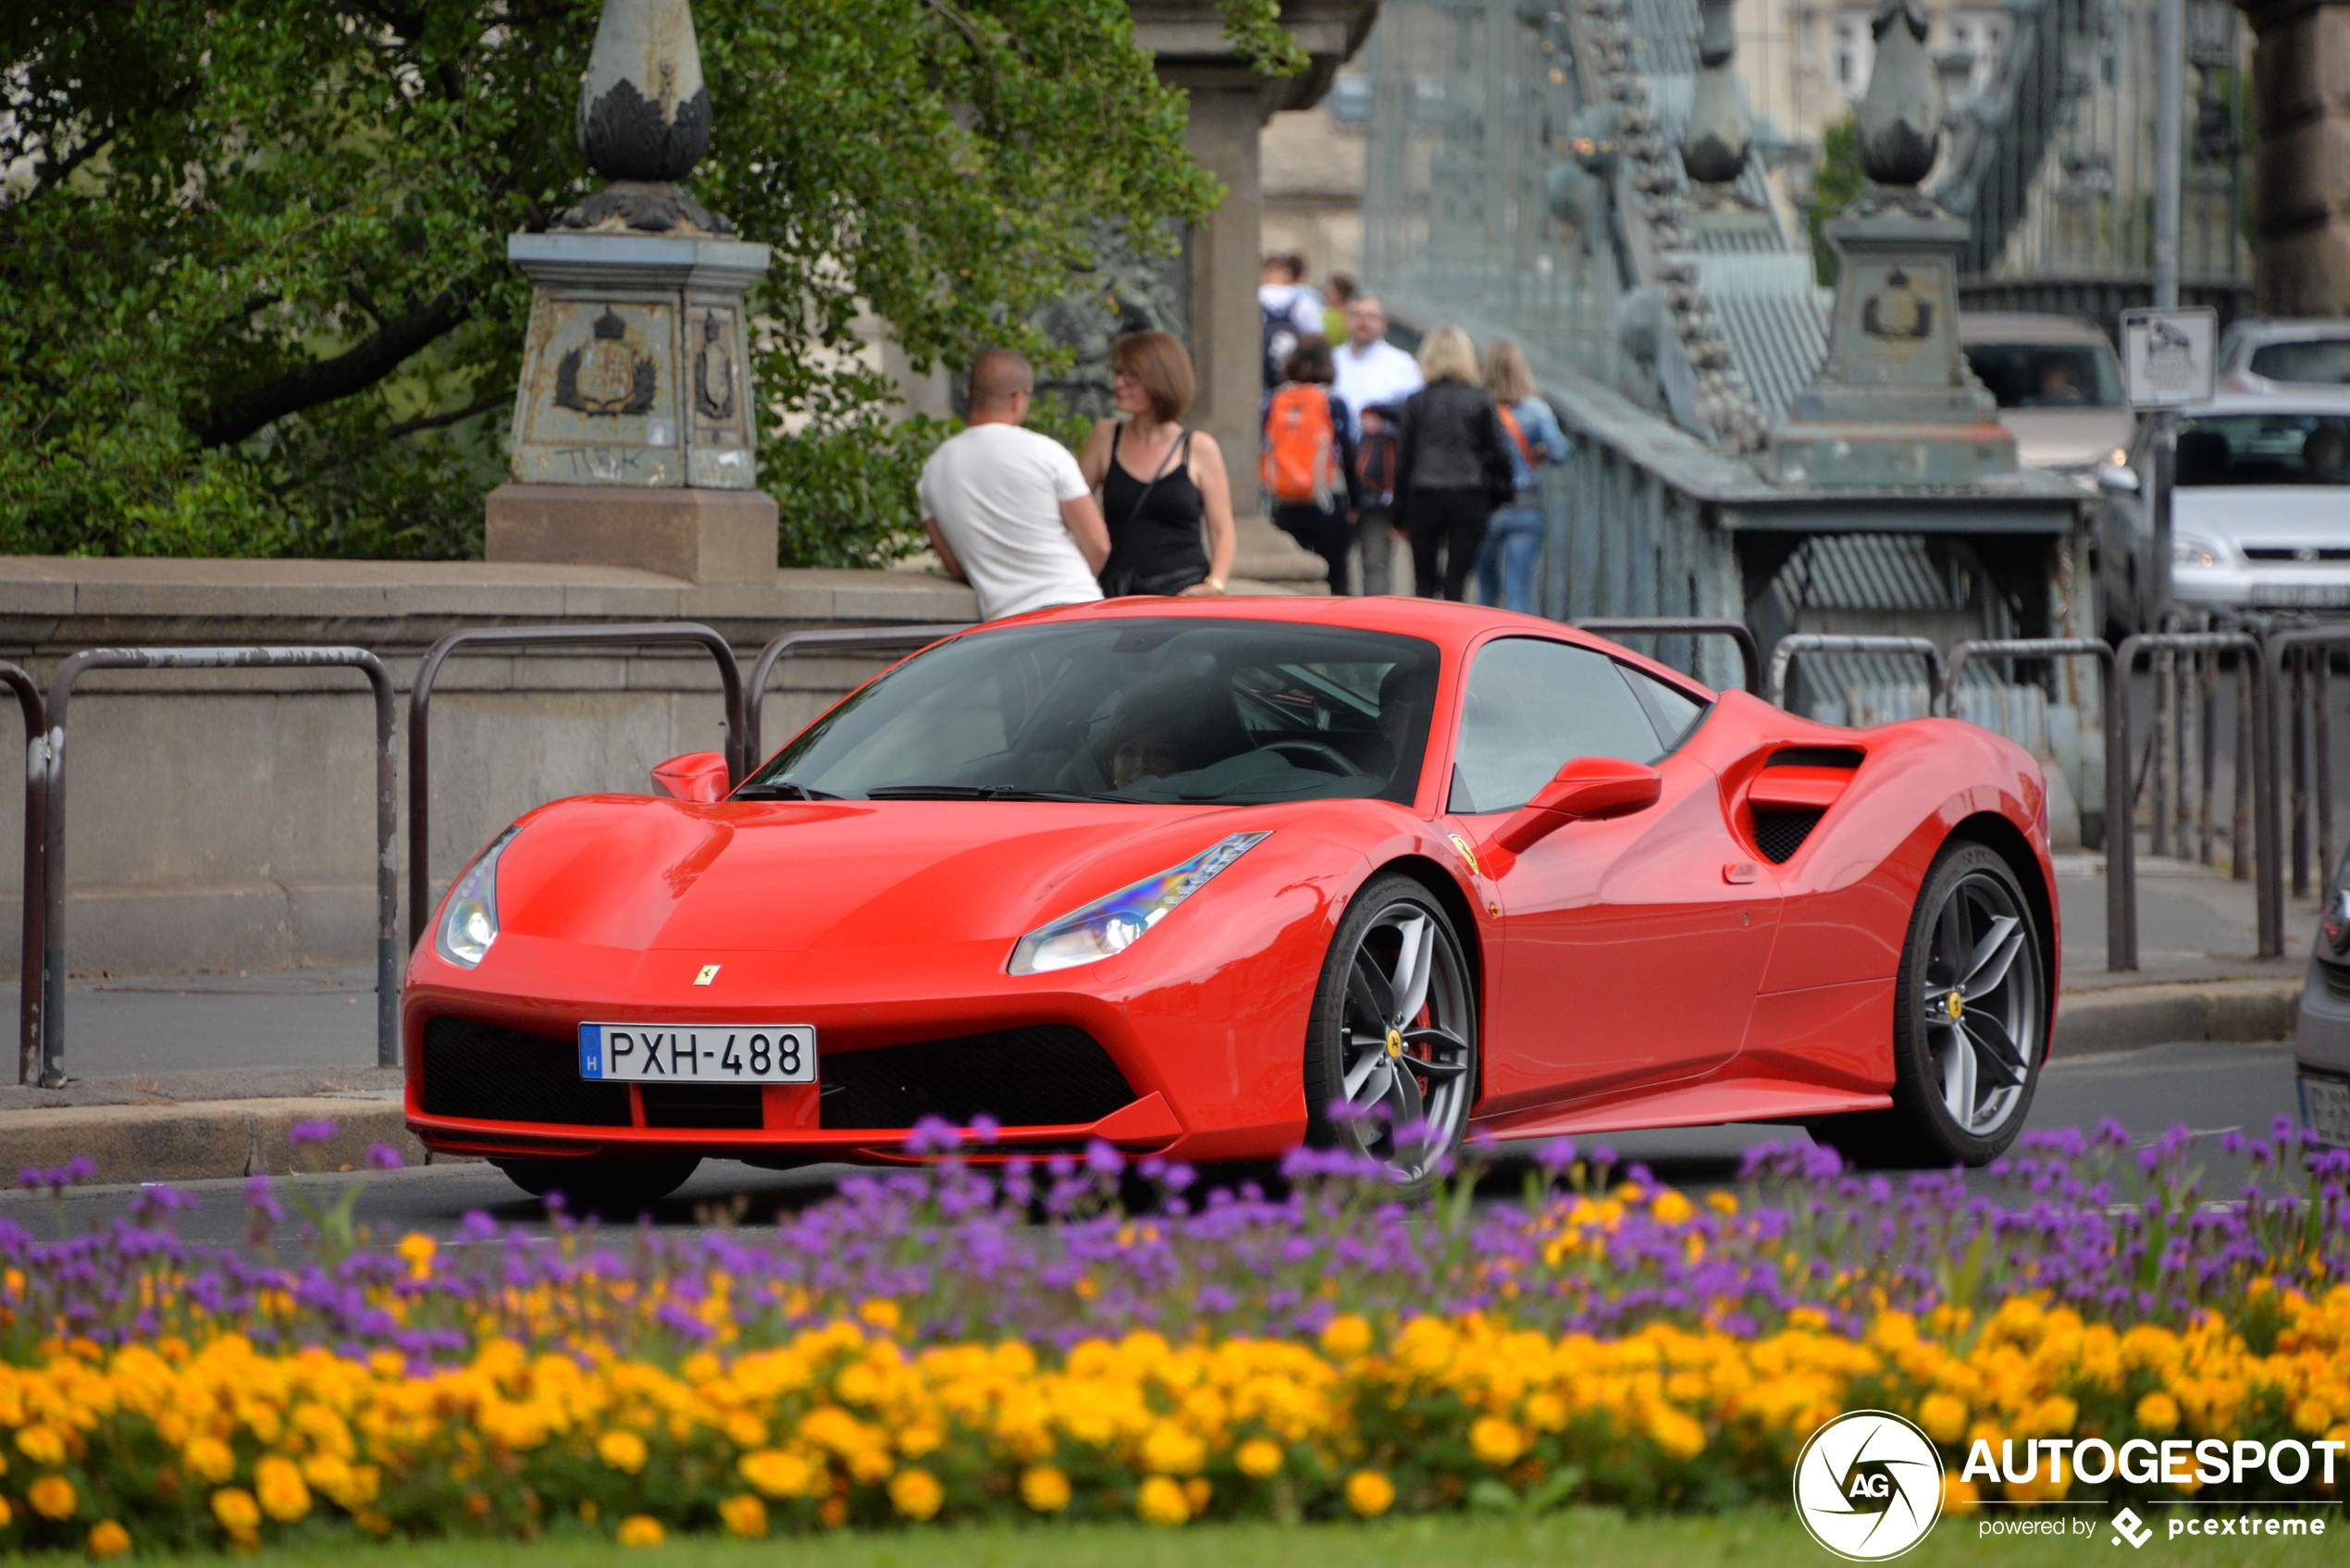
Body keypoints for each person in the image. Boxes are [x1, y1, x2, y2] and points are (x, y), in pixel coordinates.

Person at [918, 349, 1109, 622]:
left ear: (970, 390)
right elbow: (1098, 544)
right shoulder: (1046, 452)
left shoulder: (932, 471)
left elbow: (957, 568)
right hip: (1075, 607)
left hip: (1006, 623)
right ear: (1018, 398)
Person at [1079, 330, 1238, 599]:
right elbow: (1072, 507)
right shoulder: (1105, 436)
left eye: (1131, 377)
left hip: (1183, 594)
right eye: (1118, 373)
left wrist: (1214, 585)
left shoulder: (1199, 447)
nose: (1118, 384)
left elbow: (1222, 529)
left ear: (1160, 380)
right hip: (1118, 594)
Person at [1391, 325, 1514, 602]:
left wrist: (1398, 512)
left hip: (1424, 493)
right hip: (1469, 494)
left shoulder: (1416, 401)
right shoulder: (1481, 399)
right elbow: (1500, 452)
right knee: (1457, 579)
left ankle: (1422, 636)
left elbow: (1404, 459)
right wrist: (1500, 494)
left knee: (1423, 581)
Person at [1333, 296, 1423, 594]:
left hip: (1378, 477)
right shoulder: (1332, 361)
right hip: (1334, 474)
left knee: (1376, 559)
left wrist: (1384, 424)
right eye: (1357, 315)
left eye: (1371, 316)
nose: (1363, 321)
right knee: (1334, 560)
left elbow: (1415, 421)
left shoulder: (1402, 365)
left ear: (1383, 324)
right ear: (1347, 320)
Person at [1472, 340, 1570, 614]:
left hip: (1486, 506)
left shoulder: (1479, 407)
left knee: (1486, 591)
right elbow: (1561, 451)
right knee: (1518, 592)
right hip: (1525, 505)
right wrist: (1538, 451)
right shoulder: (1536, 409)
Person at [1261, 339, 1362, 596]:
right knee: (1335, 577)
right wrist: (1355, 503)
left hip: (1283, 502)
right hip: (1327, 501)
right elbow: (1348, 455)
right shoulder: (1334, 403)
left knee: (1291, 581)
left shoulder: (1273, 401)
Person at [1257, 254, 1325, 392]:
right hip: (1293, 377)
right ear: (1286, 274)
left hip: (1261, 374)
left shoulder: (1255, 296)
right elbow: (1316, 336)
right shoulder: (1303, 300)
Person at [1322, 272, 1357, 346]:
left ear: (1339, 294)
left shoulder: (1329, 316)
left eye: (1330, 290)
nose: (1326, 292)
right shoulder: (1352, 315)